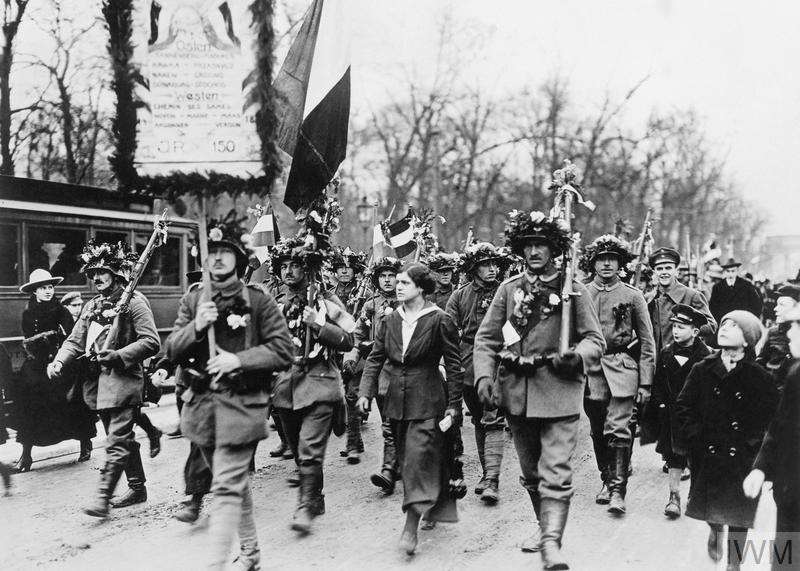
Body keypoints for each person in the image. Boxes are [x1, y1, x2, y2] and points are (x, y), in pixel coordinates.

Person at [473, 209, 605, 570]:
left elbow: (595, 340)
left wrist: (576, 357)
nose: (533, 252)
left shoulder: (572, 290)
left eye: (541, 245)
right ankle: (541, 524)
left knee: (557, 472)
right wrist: (484, 377)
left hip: (560, 392)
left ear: (553, 250)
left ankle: (551, 545)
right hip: (516, 393)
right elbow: (486, 339)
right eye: (528, 245)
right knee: (531, 474)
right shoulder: (508, 289)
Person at [166, 228, 293, 570]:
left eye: (225, 251)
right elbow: (172, 349)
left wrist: (239, 359)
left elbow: (284, 350)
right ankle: (251, 554)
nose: (217, 258)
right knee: (233, 483)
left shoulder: (258, 299)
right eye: (211, 252)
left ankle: (217, 564)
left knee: (224, 488)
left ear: (239, 258)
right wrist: (196, 325)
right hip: (203, 409)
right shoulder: (194, 298)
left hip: (242, 406)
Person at [357, 262, 464, 555]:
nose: (397, 286)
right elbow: (376, 358)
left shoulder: (439, 319)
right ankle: (434, 503)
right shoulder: (390, 320)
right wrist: (365, 392)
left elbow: (454, 366)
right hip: (396, 403)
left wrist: (455, 405)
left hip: (429, 400)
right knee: (409, 463)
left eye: (404, 282)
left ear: (420, 288)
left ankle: (410, 526)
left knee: (418, 461)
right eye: (398, 282)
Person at [48, 242, 161, 518]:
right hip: (98, 384)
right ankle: (137, 486)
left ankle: (102, 497)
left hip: (124, 382)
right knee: (118, 437)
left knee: (117, 441)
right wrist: (59, 360)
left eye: (103, 272)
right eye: (94, 272)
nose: (96, 277)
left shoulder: (134, 302)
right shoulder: (92, 305)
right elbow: (75, 340)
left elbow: (151, 342)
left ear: (118, 274)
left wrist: (119, 355)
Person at [675, 310, 778, 570]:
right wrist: (695, 436)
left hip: (742, 456)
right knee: (711, 505)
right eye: (723, 324)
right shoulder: (702, 369)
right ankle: (715, 527)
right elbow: (684, 405)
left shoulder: (760, 377)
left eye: (733, 326)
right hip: (707, 451)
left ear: (747, 340)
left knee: (739, 514)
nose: (724, 328)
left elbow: (770, 418)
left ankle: (735, 563)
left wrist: (755, 447)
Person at [270, 236, 355, 535]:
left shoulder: (326, 302)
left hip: (320, 383)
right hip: (285, 388)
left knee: (309, 450)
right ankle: (316, 497)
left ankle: (304, 505)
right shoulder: (274, 304)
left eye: (296, 265)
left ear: (309, 270)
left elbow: (348, 339)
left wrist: (317, 325)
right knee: (298, 450)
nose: (290, 271)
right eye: (285, 266)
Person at [579, 235, 655, 515]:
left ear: (621, 263)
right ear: (593, 263)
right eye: (601, 259)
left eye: (613, 259)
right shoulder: (581, 292)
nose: (607, 263)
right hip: (591, 370)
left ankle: (617, 490)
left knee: (620, 428)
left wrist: (646, 381)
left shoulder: (633, 295)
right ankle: (606, 477)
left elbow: (648, 341)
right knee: (598, 429)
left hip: (622, 366)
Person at [444, 242, 508, 504]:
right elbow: (447, 330)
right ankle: (486, 474)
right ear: (473, 268)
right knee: (480, 418)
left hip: (499, 360)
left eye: (495, 264)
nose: (492, 269)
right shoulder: (459, 296)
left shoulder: (506, 292)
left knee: (493, 417)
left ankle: (492, 479)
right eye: (485, 265)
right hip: (467, 362)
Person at [15, 269, 95, 472]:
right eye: (43, 288)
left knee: (71, 399)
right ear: (35, 291)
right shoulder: (28, 312)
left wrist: (55, 348)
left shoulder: (62, 311)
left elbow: (71, 338)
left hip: (59, 362)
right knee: (29, 399)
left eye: (50, 287)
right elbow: (28, 339)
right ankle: (26, 454)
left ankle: (85, 442)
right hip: (38, 363)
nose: (48, 291)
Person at [744, 303, 800, 571]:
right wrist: (760, 469)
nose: (790, 334)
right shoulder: (796, 375)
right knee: (786, 560)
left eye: (798, 327)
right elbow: (780, 426)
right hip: (791, 491)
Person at [641, 304, 711, 519]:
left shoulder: (705, 356)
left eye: (682, 327)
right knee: (673, 455)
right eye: (675, 327)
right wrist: (660, 405)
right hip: (671, 414)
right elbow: (659, 385)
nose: (677, 331)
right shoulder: (666, 353)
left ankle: (693, 496)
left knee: (697, 454)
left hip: (696, 415)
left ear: (696, 332)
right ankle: (674, 497)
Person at [343, 257, 402, 482]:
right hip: (379, 369)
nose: (387, 281)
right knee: (387, 419)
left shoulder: (409, 301)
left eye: (391, 276)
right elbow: (358, 335)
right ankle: (389, 469)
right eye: (383, 276)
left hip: (405, 368)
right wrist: (351, 357)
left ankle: (398, 463)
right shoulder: (371, 304)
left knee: (402, 421)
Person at [646, 247, 716, 353]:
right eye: (659, 269)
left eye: (668, 268)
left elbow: (711, 326)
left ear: (677, 271)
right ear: (654, 272)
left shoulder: (692, 296)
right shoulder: (648, 298)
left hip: (686, 358)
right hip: (657, 360)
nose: (664, 272)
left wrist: (688, 328)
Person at [756, 283, 800, 394]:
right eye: (776, 304)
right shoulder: (773, 332)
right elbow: (760, 363)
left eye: (782, 305)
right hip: (769, 392)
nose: (775, 309)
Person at [709, 258, 763, 328]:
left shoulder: (746, 285)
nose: (730, 274)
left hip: (742, 325)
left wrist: (749, 321)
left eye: (733, 271)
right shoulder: (717, 287)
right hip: (724, 325)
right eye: (728, 271)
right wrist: (720, 322)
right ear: (724, 272)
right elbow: (713, 308)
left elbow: (756, 305)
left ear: (737, 271)